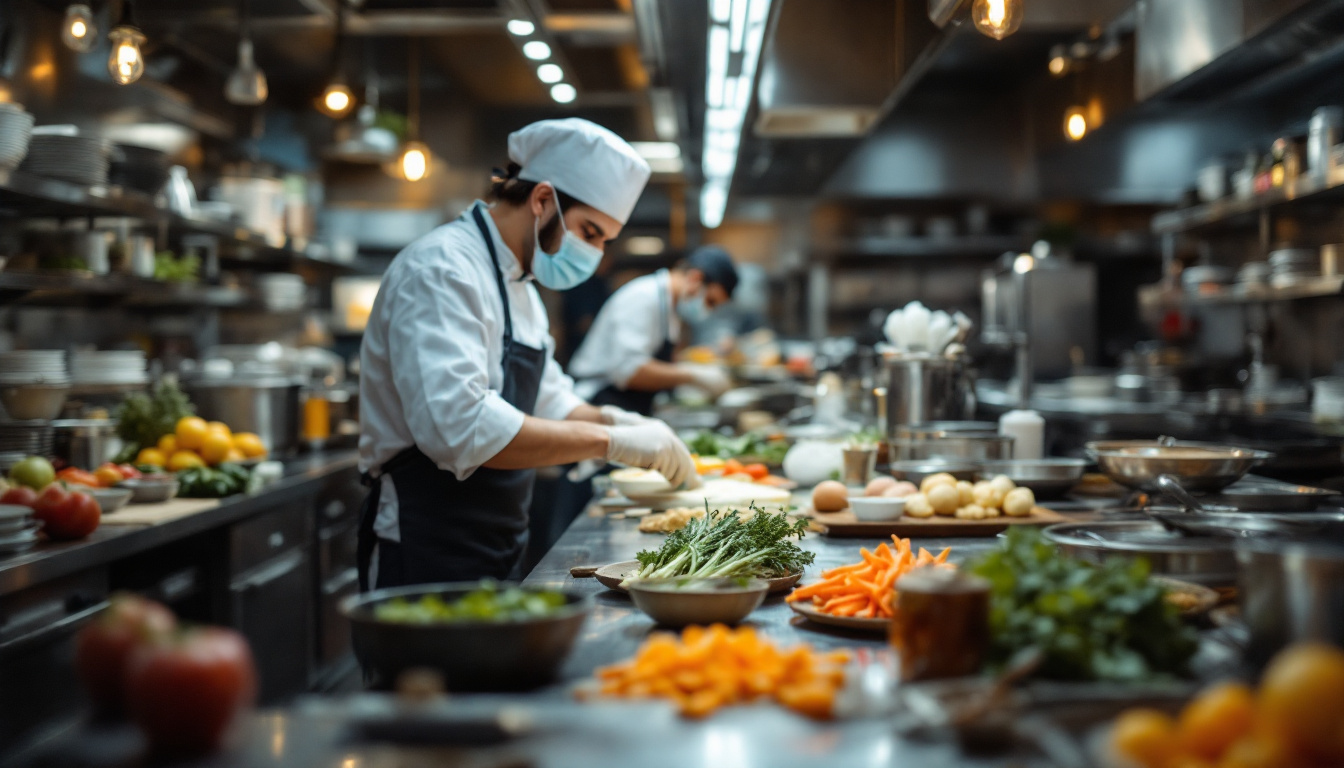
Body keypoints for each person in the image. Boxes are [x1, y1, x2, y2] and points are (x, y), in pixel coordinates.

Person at [357, 118, 698, 589]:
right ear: (542, 200)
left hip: (496, 537)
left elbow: (549, 398)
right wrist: (608, 443)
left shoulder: (522, 288)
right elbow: (460, 428)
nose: (596, 253)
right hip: (424, 542)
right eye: (590, 231)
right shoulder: (441, 269)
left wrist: (618, 422)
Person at [568, 246, 740, 416]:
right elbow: (629, 371)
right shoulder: (644, 297)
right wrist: (692, 375)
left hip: (626, 403)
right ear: (696, 278)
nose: (708, 310)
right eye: (710, 301)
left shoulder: (669, 307)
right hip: (597, 402)